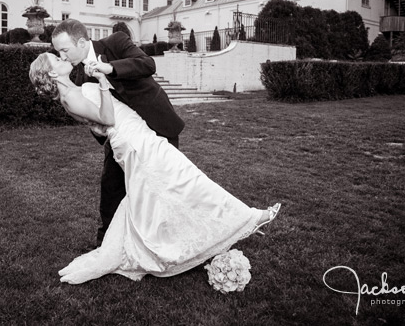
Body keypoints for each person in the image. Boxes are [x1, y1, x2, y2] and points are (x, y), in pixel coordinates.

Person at [29, 52, 281, 284]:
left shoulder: (74, 90)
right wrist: (103, 82)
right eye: (56, 59)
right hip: (134, 142)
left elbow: (100, 123)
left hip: (137, 136)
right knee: (185, 177)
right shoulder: (70, 97)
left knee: (167, 188)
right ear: (53, 73)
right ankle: (247, 217)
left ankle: (218, 224)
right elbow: (106, 119)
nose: (62, 57)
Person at [51, 19, 184, 248]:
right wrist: (98, 130)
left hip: (156, 122)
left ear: (81, 42)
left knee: (165, 184)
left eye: (64, 50)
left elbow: (148, 64)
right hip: (122, 135)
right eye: (58, 52)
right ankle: (107, 245)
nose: (62, 57)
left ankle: (168, 238)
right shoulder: (79, 78)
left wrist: (110, 68)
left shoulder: (116, 41)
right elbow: (96, 117)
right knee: (111, 186)